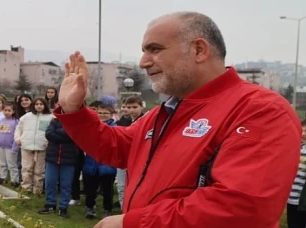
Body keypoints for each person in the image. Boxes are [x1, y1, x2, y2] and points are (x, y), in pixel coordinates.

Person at [54, 12, 301, 228]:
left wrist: (133, 223)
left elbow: (240, 209)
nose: (143, 62)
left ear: (199, 50)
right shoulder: (166, 111)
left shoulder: (261, 110)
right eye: (143, 51)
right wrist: (74, 110)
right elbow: (115, 146)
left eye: (155, 49)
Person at [38, 115, 80, 218]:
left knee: (66, 185)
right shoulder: (55, 121)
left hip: (69, 158)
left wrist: (58, 133)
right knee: (50, 182)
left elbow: (73, 135)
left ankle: (63, 207)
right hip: (52, 157)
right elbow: (49, 134)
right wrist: (65, 134)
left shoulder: (76, 122)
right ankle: (50, 204)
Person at [83, 104, 117, 219]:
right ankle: (89, 208)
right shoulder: (91, 126)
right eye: (100, 113)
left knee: (108, 189)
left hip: (107, 164)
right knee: (90, 189)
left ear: (111, 115)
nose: (102, 115)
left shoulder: (114, 127)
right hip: (91, 162)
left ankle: (107, 209)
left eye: (105, 113)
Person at [14, 98, 52, 194]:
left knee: (39, 169)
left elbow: (52, 131)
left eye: (41, 104)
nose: (39, 106)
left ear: (45, 105)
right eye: (37, 104)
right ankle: (26, 188)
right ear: (33, 106)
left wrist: (49, 141)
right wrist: (18, 139)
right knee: (27, 168)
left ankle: (38, 189)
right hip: (26, 145)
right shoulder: (26, 116)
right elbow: (18, 128)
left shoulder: (50, 117)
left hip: (42, 146)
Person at [116, 96, 144, 210]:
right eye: (128, 107)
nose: (131, 110)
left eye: (134, 107)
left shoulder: (147, 121)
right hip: (124, 158)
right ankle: (124, 212)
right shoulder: (121, 122)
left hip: (139, 159)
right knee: (122, 186)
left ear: (141, 107)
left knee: (137, 187)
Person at [0, 102, 20, 187]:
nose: (7, 112)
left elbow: (17, 135)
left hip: (10, 147)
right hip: (0, 146)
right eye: (5, 110)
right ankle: (3, 178)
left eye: (9, 110)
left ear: (13, 111)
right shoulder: (1, 121)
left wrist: (15, 147)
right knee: (2, 163)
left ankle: (15, 181)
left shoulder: (16, 122)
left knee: (12, 164)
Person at [287, 119, 306, 228]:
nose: (303, 134)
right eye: (302, 131)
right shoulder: (298, 149)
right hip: (292, 198)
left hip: (303, 202)